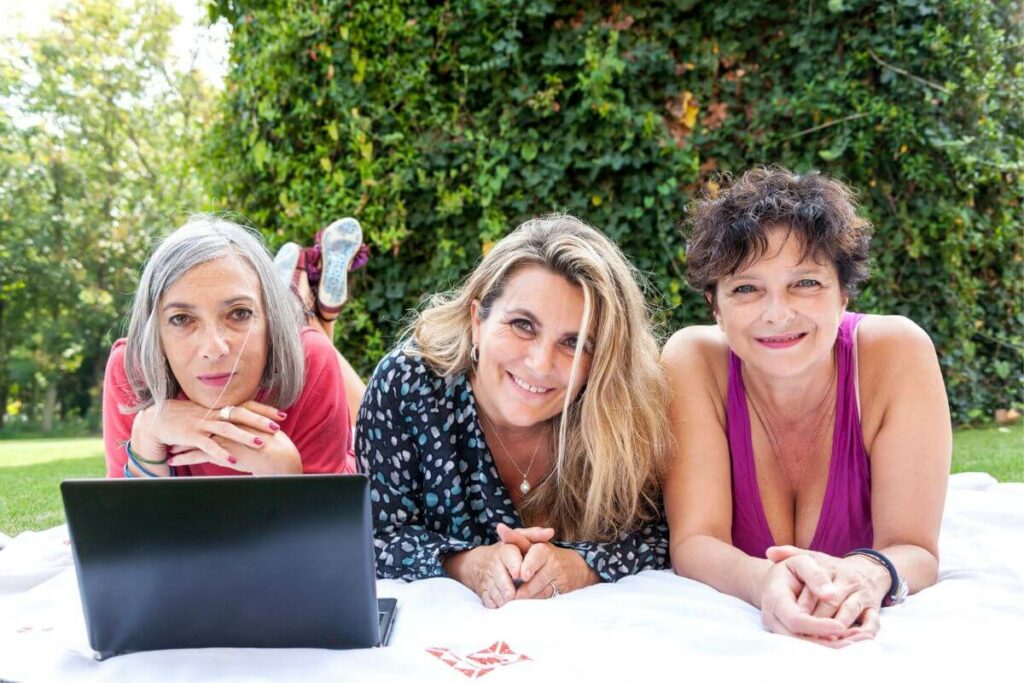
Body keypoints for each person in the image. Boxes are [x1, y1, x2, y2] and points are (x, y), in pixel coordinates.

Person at [663, 167, 951, 646]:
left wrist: (865, 575)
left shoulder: (897, 353)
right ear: (715, 307)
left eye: (806, 283)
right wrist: (763, 583)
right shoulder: (693, 360)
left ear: (844, 292)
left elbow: (915, 549)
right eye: (746, 289)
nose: (777, 313)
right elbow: (694, 543)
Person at [357, 214, 672, 608]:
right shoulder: (408, 385)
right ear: (477, 320)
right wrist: (467, 564)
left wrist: (579, 566)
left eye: (574, 343)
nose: (541, 364)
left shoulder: (620, 411)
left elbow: (664, 535)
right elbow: (376, 537)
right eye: (523, 325)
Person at [103, 216, 356, 478]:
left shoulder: (310, 358)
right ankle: (301, 301)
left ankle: (304, 305)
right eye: (181, 319)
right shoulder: (133, 370)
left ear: (270, 319)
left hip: (354, 457)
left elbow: (329, 514)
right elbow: (128, 518)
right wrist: (145, 439)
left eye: (239, 313)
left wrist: (285, 472)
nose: (214, 348)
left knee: (363, 412)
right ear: (154, 332)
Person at [273, 217, 369, 425]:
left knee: (367, 417)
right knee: (367, 419)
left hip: (365, 444)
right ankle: (312, 314)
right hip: (369, 444)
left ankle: (309, 312)